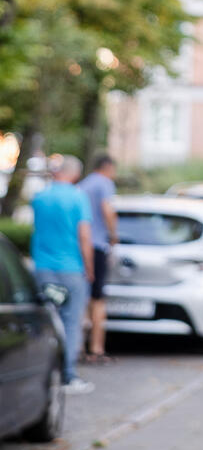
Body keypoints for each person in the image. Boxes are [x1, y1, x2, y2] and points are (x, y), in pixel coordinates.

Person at [31, 154, 95, 393]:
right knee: (71, 322)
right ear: (75, 174)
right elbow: (85, 236)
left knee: (48, 320)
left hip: (43, 268)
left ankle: (43, 373)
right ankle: (68, 375)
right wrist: (89, 268)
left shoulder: (40, 197)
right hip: (71, 269)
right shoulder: (78, 198)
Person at [78, 152, 118, 364]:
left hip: (80, 247)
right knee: (98, 300)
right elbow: (107, 209)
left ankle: (80, 347)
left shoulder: (83, 185)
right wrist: (113, 235)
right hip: (97, 246)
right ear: (108, 168)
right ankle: (96, 349)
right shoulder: (104, 183)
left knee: (83, 299)